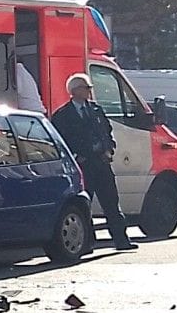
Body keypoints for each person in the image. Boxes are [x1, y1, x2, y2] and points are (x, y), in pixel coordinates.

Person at [52, 71, 135, 250]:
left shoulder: (96, 110)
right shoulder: (63, 115)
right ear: (74, 91)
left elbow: (107, 131)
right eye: (85, 88)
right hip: (83, 165)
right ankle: (87, 243)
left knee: (111, 202)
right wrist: (76, 157)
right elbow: (61, 141)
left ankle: (121, 240)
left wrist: (109, 149)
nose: (89, 91)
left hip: (101, 163)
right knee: (84, 204)